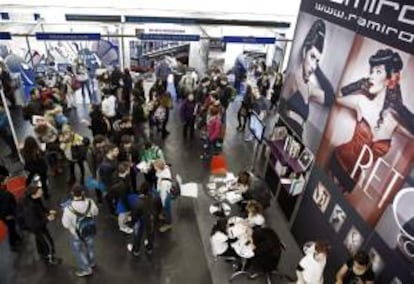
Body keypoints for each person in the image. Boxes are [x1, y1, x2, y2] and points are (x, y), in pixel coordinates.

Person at [281, 19, 335, 138]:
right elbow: (280, 108)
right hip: (285, 134)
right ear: (304, 51)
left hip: (297, 139)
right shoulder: (292, 77)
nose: (313, 65)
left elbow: (330, 99)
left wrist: (317, 68)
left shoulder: (309, 88)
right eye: (312, 57)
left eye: (317, 61)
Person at [62, 185, 98, 277]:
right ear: (83, 193)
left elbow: (65, 224)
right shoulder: (90, 202)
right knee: (90, 247)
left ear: (72, 193)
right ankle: (92, 262)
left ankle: (86, 269)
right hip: (89, 230)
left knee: (79, 251)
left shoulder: (68, 208)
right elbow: (96, 212)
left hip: (76, 233)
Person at [22, 185, 60, 265]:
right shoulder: (30, 208)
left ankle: (42, 253)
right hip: (37, 227)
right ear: (33, 194)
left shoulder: (36, 199)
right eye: (39, 192)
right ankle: (50, 258)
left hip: (40, 223)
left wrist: (48, 211)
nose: (42, 192)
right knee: (48, 242)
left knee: (40, 240)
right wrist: (47, 219)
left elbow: (41, 207)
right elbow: (33, 224)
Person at [127, 181, 155, 256]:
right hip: (149, 218)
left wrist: (133, 222)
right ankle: (149, 248)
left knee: (137, 235)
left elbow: (134, 214)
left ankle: (136, 250)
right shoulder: (152, 197)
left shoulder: (138, 202)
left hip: (141, 219)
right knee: (150, 233)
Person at [0, 173, 21, 251]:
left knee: (12, 226)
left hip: (6, 214)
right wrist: (7, 215)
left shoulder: (4, 190)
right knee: (11, 228)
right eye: (5, 179)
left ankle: (16, 238)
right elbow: (6, 206)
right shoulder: (4, 194)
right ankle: (12, 243)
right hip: (7, 214)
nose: (7, 180)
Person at [112, 162, 134, 234]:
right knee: (122, 213)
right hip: (121, 200)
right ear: (127, 170)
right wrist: (128, 207)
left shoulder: (119, 176)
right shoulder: (121, 185)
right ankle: (122, 226)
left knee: (125, 212)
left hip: (122, 197)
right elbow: (123, 198)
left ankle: (126, 219)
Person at [98, 144, 119, 215]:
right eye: (116, 151)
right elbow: (106, 180)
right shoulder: (106, 166)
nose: (118, 152)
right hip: (109, 187)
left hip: (113, 184)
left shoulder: (113, 158)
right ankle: (113, 212)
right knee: (110, 199)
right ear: (110, 152)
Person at [86, 135, 108, 204]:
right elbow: (91, 164)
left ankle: (106, 194)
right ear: (97, 143)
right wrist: (94, 174)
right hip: (97, 170)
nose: (104, 143)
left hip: (104, 168)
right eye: (102, 142)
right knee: (97, 184)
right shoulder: (91, 151)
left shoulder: (103, 148)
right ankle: (99, 199)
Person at [153, 159, 173, 233]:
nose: (154, 168)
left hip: (165, 195)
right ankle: (164, 214)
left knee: (167, 210)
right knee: (165, 209)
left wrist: (163, 203)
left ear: (158, 168)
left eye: (155, 167)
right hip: (164, 191)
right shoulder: (165, 169)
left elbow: (163, 195)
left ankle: (168, 224)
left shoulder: (164, 182)